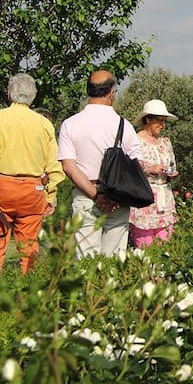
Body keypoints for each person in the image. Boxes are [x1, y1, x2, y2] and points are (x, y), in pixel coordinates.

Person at [0, 73, 65, 288]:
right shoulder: (44, 124)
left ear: (9, 93)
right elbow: (53, 164)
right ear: (33, 96)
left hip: (3, 187)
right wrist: (51, 195)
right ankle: (29, 291)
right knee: (29, 246)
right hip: (33, 189)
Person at [57, 70, 143, 258]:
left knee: (85, 260)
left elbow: (68, 167)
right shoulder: (124, 125)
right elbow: (138, 165)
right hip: (118, 198)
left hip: (85, 196)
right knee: (113, 259)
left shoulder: (70, 124)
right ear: (112, 93)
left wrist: (96, 196)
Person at [128, 100, 180, 248]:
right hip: (144, 200)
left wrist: (171, 173)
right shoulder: (135, 141)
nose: (162, 124)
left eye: (164, 121)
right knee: (145, 249)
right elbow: (128, 170)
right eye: (159, 120)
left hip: (165, 201)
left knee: (165, 248)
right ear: (148, 119)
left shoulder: (166, 142)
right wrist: (148, 169)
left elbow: (172, 165)